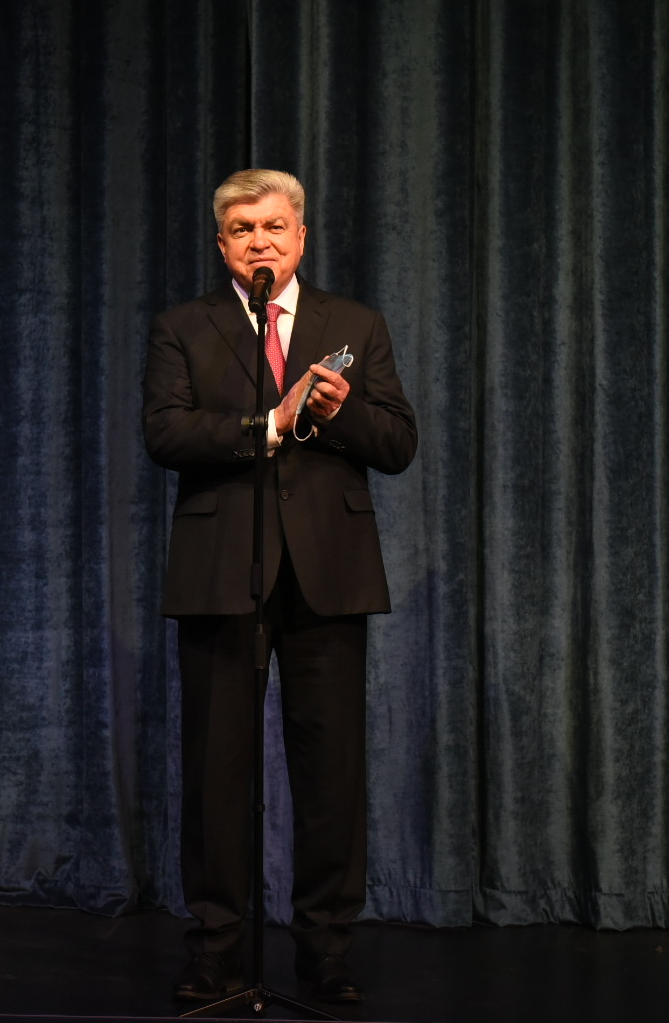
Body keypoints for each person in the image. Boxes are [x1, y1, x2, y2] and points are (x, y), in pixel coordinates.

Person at [143, 170, 418, 1003]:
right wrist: (267, 425)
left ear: (300, 236)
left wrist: (335, 413)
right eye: (241, 229)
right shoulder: (183, 326)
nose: (258, 241)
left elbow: (397, 443)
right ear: (221, 243)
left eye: (272, 226)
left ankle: (326, 952)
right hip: (222, 568)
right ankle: (217, 950)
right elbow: (166, 432)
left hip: (328, 572)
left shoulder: (355, 324)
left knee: (331, 775)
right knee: (217, 774)